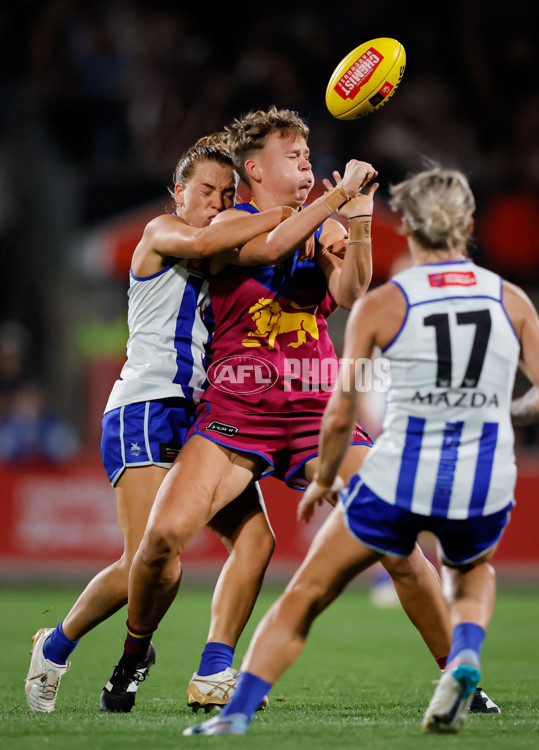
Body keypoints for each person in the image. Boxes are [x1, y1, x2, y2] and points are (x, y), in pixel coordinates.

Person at [101, 107, 496, 716]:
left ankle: (461, 681)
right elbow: (267, 249)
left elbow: (349, 292)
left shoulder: (325, 222)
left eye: (311, 157)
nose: (309, 165)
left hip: (315, 410)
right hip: (236, 410)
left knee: (399, 547)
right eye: (296, 156)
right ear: (254, 169)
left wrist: (357, 223)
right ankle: (134, 655)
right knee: (159, 544)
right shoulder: (231, 221)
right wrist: (335, 198)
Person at [185, 165, 539, 737]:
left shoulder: (387, 302)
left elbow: (341, 407)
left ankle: (233, 714)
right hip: (482, 475)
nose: (306, 164)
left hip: (396, 464)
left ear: (410, 230)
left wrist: (323, 479)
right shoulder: (508, 296)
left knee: (306, 593)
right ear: (468, 224)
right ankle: (462, 663)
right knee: (464, 572)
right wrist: (503, 415)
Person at [24, 134, 296, 713]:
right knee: (150, 563)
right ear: (178, 193)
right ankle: (57, 645)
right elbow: (204, 237)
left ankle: (214, 672)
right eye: (205, 191)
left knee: (256, 541)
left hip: (202, 416)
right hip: (145, 408)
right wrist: (294, 207)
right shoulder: (163, 233)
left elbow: (262, 251)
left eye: (227, 195)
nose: (216, 204)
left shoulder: (222, 250)